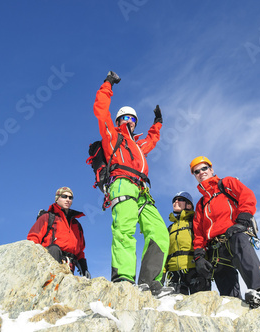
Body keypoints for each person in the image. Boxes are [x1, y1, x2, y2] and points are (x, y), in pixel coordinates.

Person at [93, 71, 172, 297]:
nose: (129, 121)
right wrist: (108, 84)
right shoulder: (112, 137)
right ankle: (124, 279)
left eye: (133, 119)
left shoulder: (138, 145)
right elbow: (101, 111)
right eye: (125, 118)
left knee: (158, 232)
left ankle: (149, 281)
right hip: (122, 183)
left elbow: (152, 140)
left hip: (142, 191)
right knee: (124, 231)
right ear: (118, 121)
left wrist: (157, 123)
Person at [190, 156, 260, 309]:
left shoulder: (226, 183)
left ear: (211, 169)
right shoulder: (201, 204)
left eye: (204, 168)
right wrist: (199, 255)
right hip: (216, 247)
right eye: (197, 171)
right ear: (194, 176)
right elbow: (199, 232)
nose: (201, 172)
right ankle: (233, 308)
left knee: (241, 245)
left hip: (234, 235)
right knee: (226, 286)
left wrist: (243, 220)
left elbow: (246, 196)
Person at [27, 187, 91, 278]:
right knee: (54, 249)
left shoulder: (76, 225)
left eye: (70, 197)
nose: (68, 200)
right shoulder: (47, 218)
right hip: (49, 265)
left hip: (69, 268)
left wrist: (84, 268)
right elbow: (32, 240)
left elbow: (80, 251)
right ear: (57, 199)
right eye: (64, 196)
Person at [164, 191, 211, 295]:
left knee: (200, 306)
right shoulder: (170, 229)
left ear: (189, 205)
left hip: (195, 270)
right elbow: (164, 251)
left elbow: (204, 242)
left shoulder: (196, 224)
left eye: (180, 199)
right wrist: (163, 272)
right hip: (174, 274)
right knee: (174, 308)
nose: (176, 201)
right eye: (174, 200)